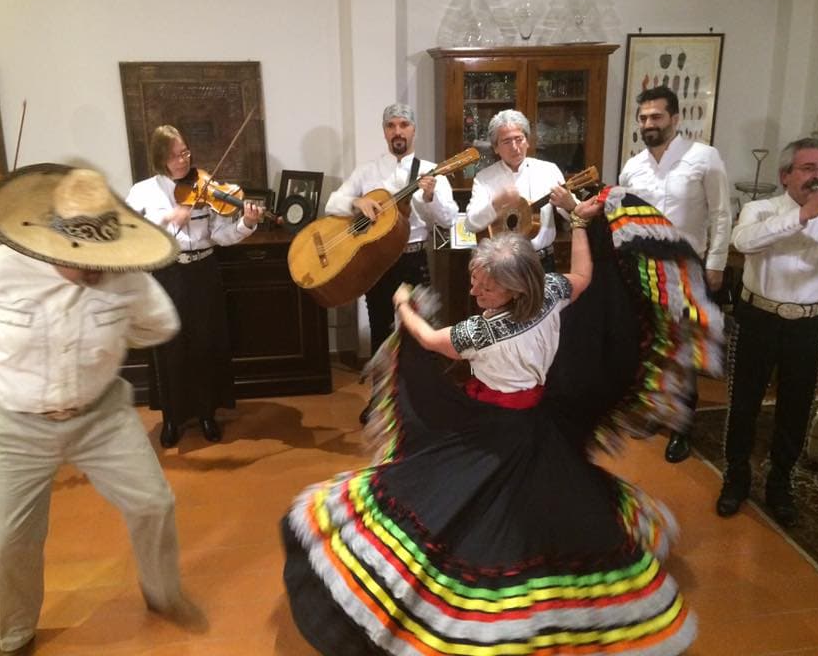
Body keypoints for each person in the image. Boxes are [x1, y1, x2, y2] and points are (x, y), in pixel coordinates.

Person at [282, 186, 724, 656]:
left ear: (513, 287)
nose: (474, 291)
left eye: (484, 285)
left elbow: (431, 340)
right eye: (474, 280)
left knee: (462, 512)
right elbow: (582, 274)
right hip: (535, 421)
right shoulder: (552, 292)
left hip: (492, 429)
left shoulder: (483, 331)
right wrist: (577, 224)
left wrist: (403, 308)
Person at [0, 167, 199, 656]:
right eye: (82, 259)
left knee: (154, 504)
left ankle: (161, 593)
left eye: (102, 258)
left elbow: (160, 325)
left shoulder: (122, 275)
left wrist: (109, 342)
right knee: (11, 541)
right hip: (11, 423)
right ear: (51, 242)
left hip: (101, 416)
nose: (96, 269)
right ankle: (16, 634)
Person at [716, 137, 818, 528]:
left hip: (809, 323)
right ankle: (736, 478)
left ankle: (780, 483)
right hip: (759, 318)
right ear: (785, 174)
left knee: (797, 407)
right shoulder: (761, 209)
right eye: (808, 168)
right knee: (743, 403)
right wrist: (802, 215)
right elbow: (744, 242)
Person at [127, 125, 262, 448]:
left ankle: (206, 414)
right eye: (175, 155)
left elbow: (220, 236)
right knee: (169, 347)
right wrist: (165, 219)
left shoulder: (205, 187)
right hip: (166, 273)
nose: (183, 160)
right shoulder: (143, 191)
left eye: (185, 152)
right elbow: (128, 230)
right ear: (160, 158)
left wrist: (247, 224)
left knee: (205, 344)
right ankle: (172, 418)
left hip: (202, 271)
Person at [618, 85, 732, 463]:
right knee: (651, 341)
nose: (649, 124)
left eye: (657, 117)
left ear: (675, 118)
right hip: (644, 267)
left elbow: (720, 214)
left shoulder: (703, 158)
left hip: (690, 267)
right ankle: (655, 412)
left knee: (685, 345)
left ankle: (682, 425)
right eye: (644, 118)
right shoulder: (633, 167)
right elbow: (624, 220)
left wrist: (716, 262)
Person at [325, 103, 458, 356]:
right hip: (377, 262)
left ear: (413, 130)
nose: (398, 131)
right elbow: (332, 204)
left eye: (404, 125)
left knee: (420, 330)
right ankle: (383, 393)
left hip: (414, 258)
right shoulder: (366, 171)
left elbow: (448, 220)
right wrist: (356, 202)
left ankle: (416, 392)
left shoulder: (433, 171)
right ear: (384, 132)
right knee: (380, 329)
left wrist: (431, 197)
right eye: (391, 125)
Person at [464, 108, 577, 270]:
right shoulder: (484, 178)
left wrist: (570, 205)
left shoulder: (549, 170)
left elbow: (576, 215)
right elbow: (470, 224)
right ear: (496, 147)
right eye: (507, 142)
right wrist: (496, 203)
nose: (515, 147)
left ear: (528, 141)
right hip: (501, 266)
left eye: (519, 139)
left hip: (541, 262)